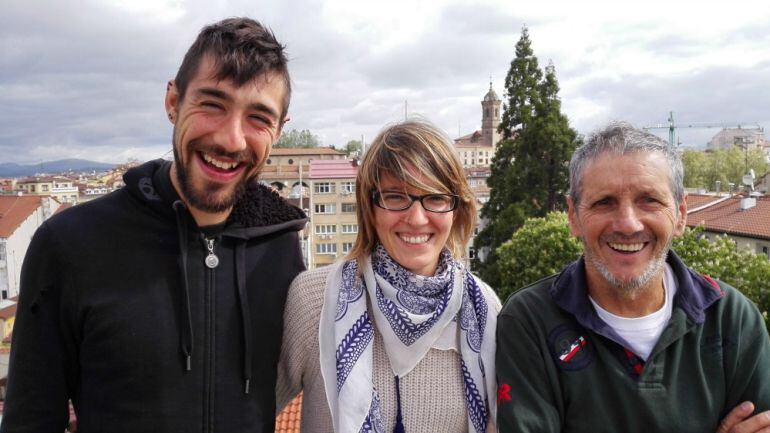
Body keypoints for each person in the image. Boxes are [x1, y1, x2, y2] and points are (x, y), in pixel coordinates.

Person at [0, 17, 306, 433]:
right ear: (173, 102)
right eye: (212, 104)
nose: (232, 140)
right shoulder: (70, 245)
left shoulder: (281, 249)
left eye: (258, 117)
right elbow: (31, 421)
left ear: (279, 130)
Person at [496, 122, 770, 432]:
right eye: (604, 202)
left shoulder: (731, 317)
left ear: (680, 215)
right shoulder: (530, 320)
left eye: (649, 200)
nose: (628, 224)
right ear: (573, 216)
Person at [276, 119, 500, 433]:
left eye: (435, 197)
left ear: (457, 209)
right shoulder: (315, 300)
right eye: (396, 197)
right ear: (371, 207)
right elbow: (242, 411)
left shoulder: (482, 308)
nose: (417, 218)